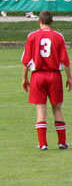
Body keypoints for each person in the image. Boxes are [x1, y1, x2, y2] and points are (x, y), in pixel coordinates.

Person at [21, 10, 71, 150]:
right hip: (54, 75)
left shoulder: (32, 36)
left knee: (40, 110)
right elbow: (66, 61)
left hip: (37, 76)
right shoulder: (58, 37)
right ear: (52, 22)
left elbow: (26, 60)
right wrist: (69, 77)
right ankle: (62, 142)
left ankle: (43, 144)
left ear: (39, 21)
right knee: (57, 108)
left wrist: (25, 77)